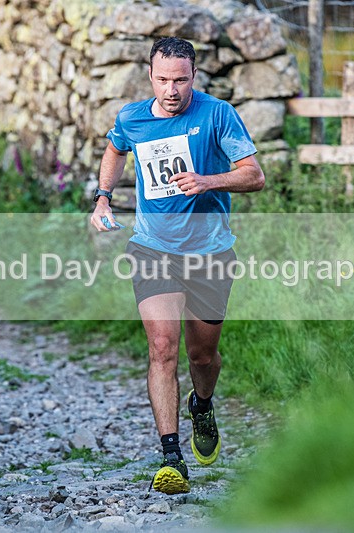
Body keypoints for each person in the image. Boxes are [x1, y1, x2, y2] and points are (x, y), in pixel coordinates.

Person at [89, 36, 264, 495]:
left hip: (209, 251)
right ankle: (171, 457)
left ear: (195, 77)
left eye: (181, 80)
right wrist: (103, 196)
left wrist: (207, 180)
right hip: (152, 249)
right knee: (163, 348)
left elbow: (254, 175)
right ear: (150, 76)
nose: (172, 90)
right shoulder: (133, 117)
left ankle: (201, 404)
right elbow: (115, 149)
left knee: (202, 356)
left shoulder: (217, 115)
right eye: (164, 80)